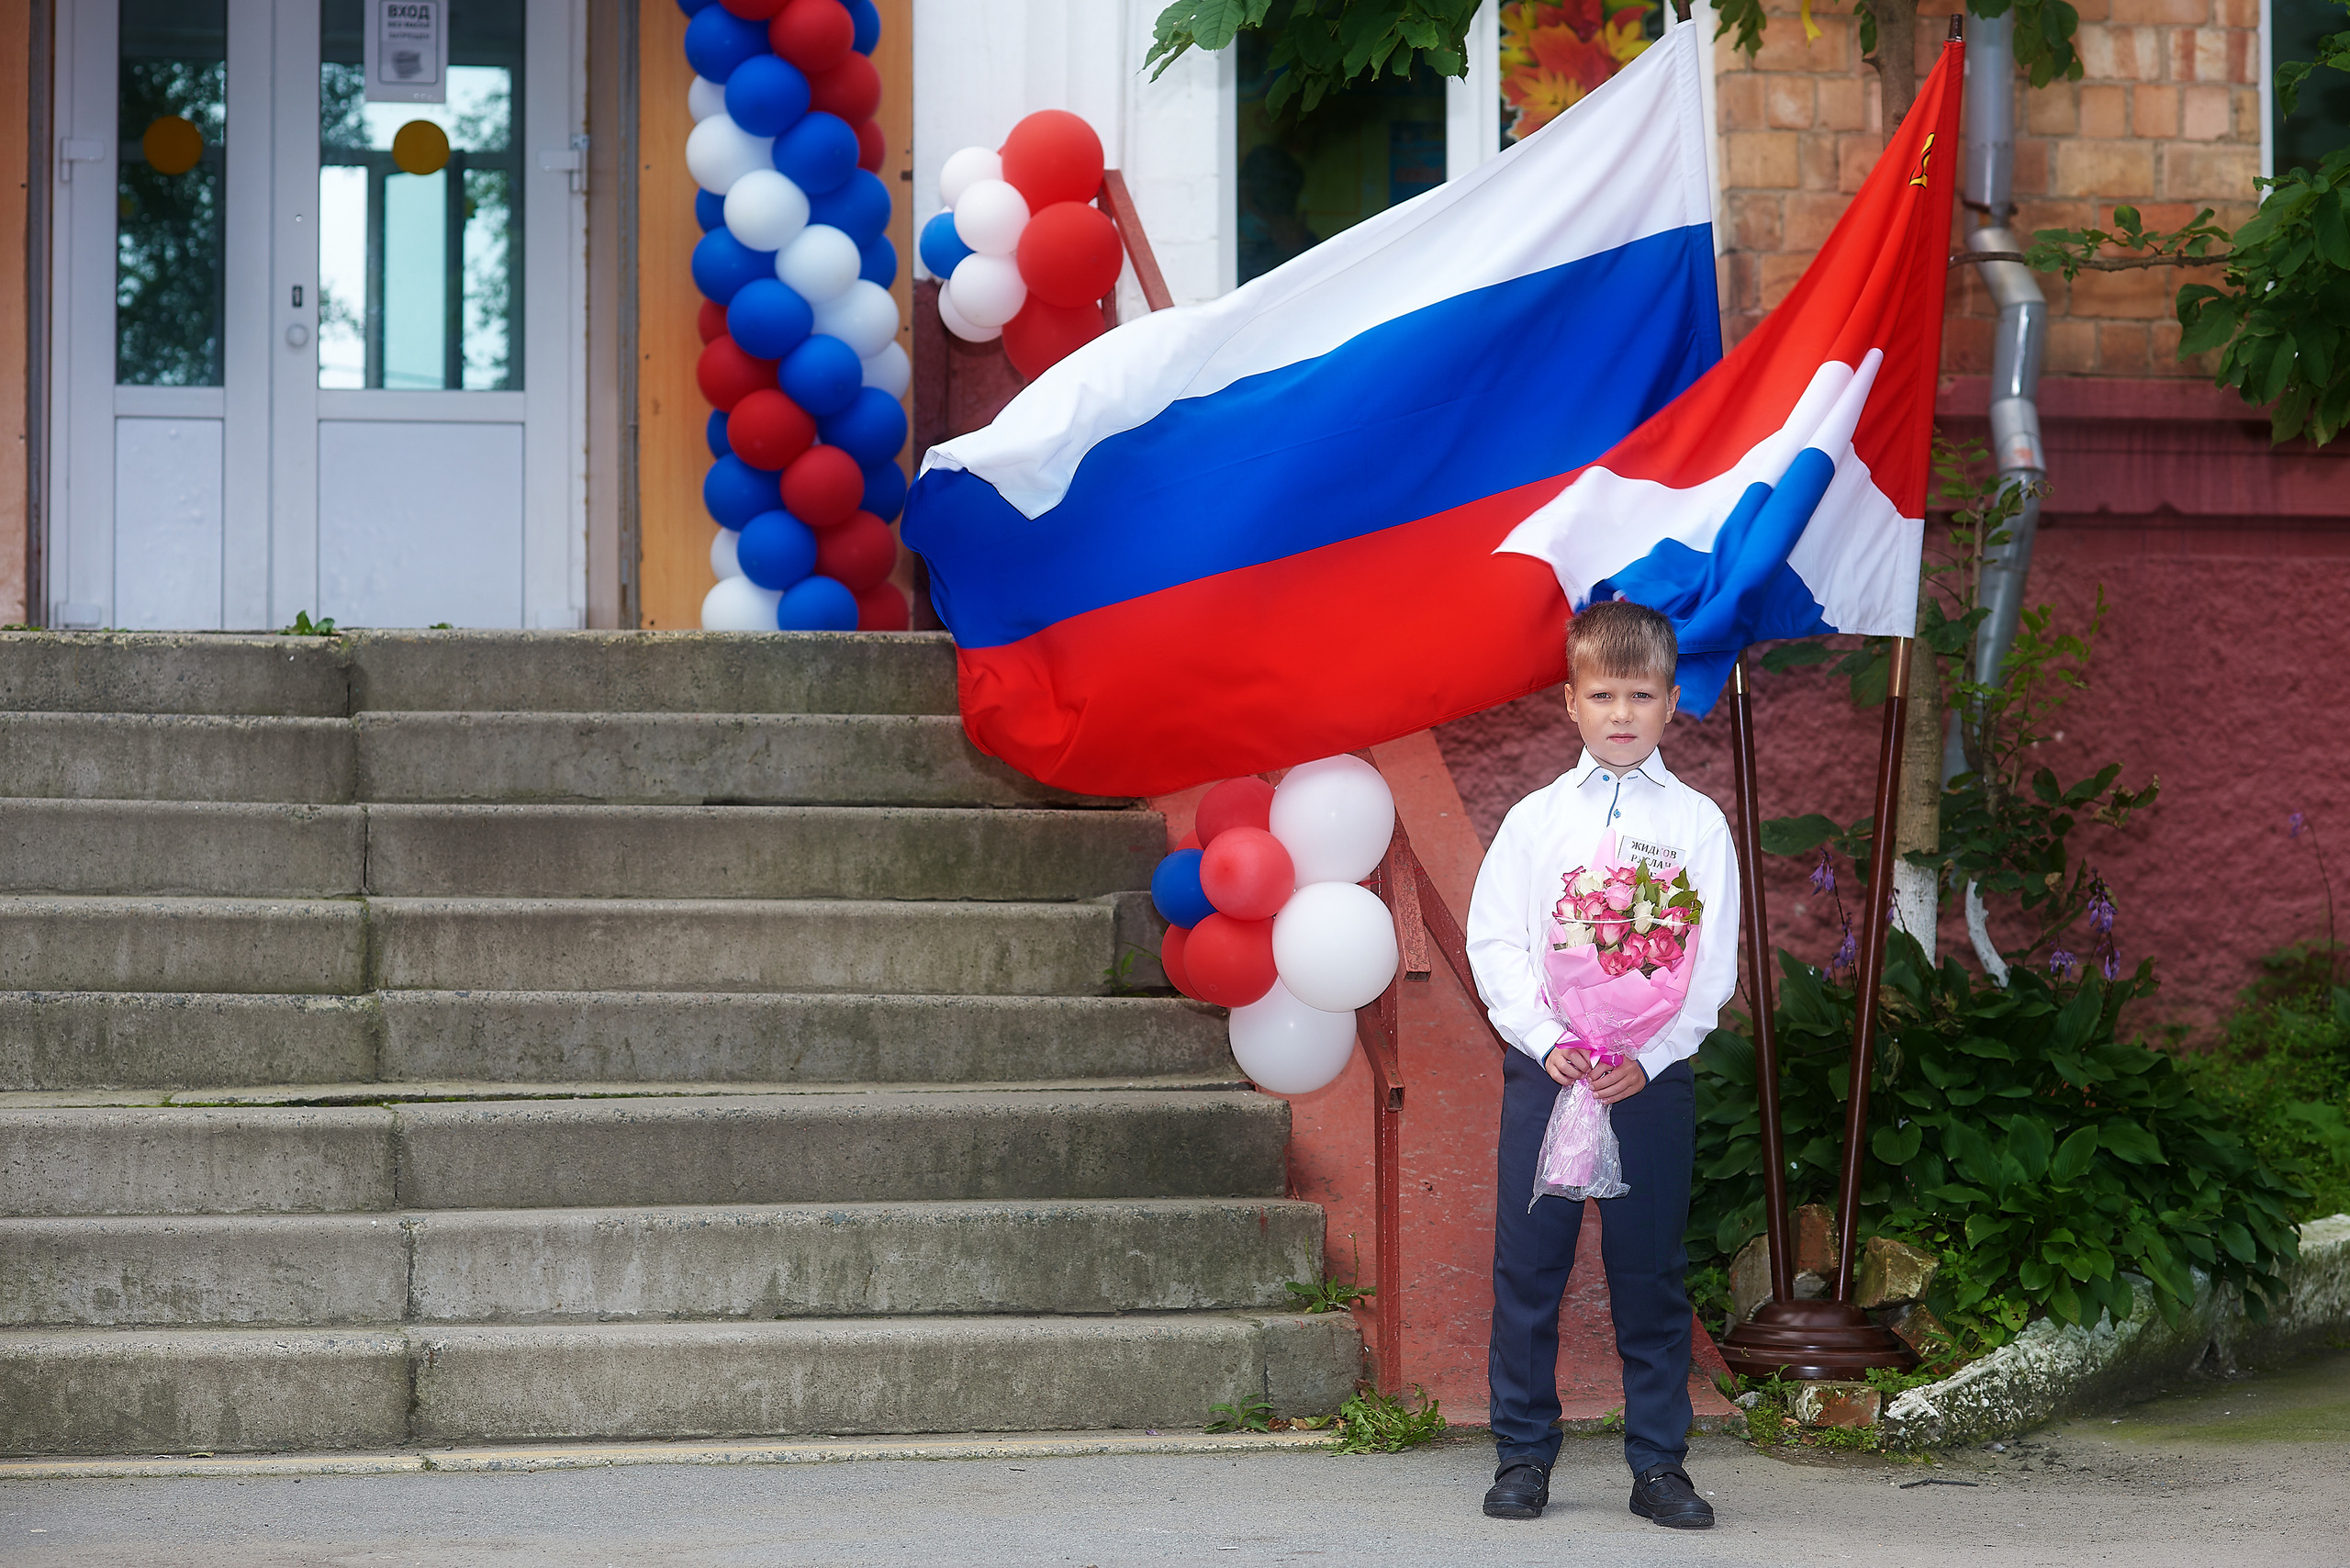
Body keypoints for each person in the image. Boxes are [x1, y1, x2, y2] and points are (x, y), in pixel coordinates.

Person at [1465, 599, 1739, 1530]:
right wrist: (1551, 1042)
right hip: (1549, 1072)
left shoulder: (1699, 826)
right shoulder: (1534, 821)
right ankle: (1521, 1453)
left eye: (1641, 694)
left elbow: (1711, 961)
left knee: (1648, 1269)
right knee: (1530, 1265)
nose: (1622, 712)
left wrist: (1650, 1053)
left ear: (1670, 703)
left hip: (1647, 1084)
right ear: (1570, 703)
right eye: (1602, 693)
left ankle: (1659, 1461)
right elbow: (1498, 941)